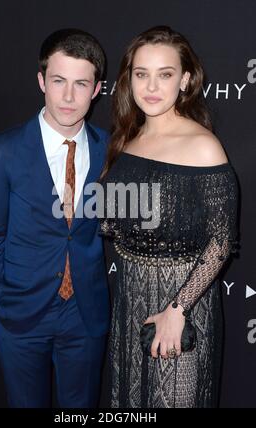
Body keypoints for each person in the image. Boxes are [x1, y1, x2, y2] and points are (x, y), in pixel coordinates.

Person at [99, 26, 239, 408]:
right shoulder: (127, 139)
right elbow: (116, 220)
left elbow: (221, 241)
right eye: (141, 74)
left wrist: (178, 310)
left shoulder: (203, 145)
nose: (151, 86)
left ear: (186, 79)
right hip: (129, 297)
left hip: (184, 302)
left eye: (165, 74)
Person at [0, 28, 110, 408]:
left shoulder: (109, 151)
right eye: (59, 81)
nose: (69, 96)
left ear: (97, 89)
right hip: (19, 313)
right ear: (41, 81)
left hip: (85, 313)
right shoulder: (3, 152)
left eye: (81, 83)